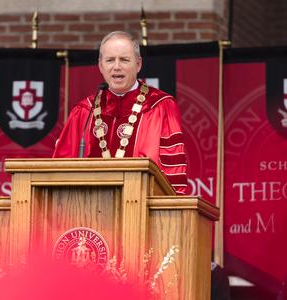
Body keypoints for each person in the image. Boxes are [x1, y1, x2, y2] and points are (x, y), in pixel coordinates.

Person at [53, 31, 187, 195]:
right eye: (110, 60)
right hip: (88, 212)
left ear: (138, 64)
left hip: (144, 209)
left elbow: (174, 173)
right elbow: (59, 171)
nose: (117, 66)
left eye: (124, 59)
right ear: (100, 66)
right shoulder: (84, 112)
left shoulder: (160, 106)